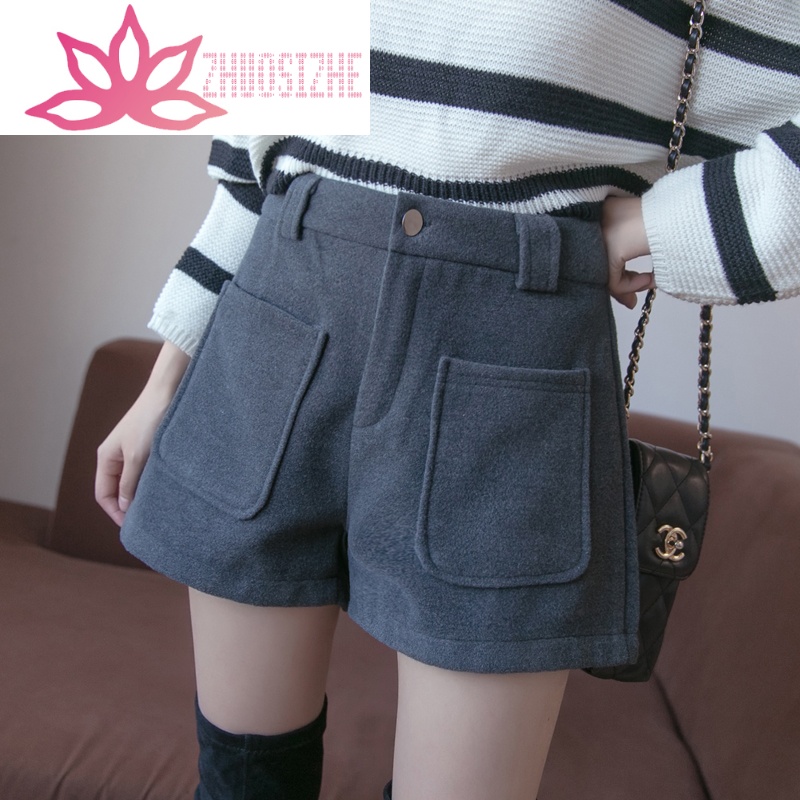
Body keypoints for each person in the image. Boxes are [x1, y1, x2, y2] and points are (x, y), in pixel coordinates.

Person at [96, 2, 800, 798]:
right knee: (241, 782)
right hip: (275, 327)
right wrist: (166, 380)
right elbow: (253, 167)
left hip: (507, 361)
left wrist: (656, 226)